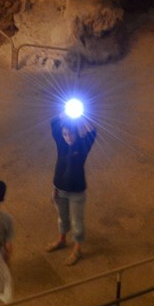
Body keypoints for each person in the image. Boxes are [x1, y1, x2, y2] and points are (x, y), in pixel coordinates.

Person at [45, 112, 96, 266]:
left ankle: (77, 250)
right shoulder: (61, 143)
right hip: (59, 189)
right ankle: (62, 240)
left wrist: (82, 116)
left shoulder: (82, 145)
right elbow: (53, 123)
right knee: (62, 218)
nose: (67, 137)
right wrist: (64, 113)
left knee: (77, 223)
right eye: (65, 134)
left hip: (77, 193)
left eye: (70, 134)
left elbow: (93, 131)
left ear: (76, 133)